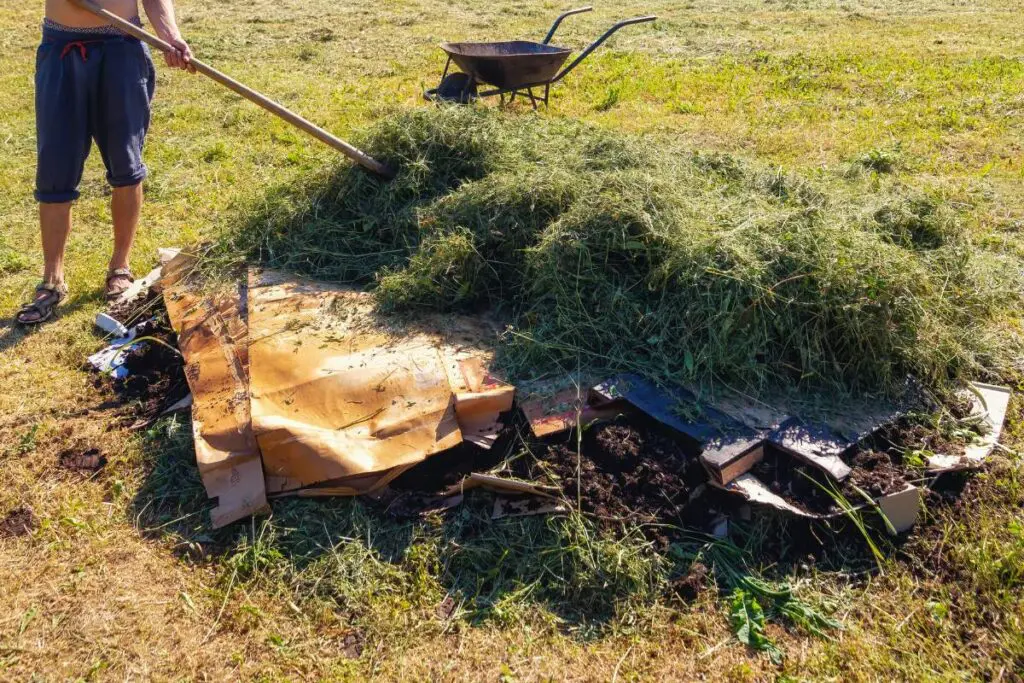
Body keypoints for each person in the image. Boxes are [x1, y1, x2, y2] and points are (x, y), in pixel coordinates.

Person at [17, 0, 194, 324]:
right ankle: (52, 279)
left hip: (122, 50)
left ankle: (120, 267)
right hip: (61, 49)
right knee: (56, 169)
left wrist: (170, 35)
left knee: (126, 165)